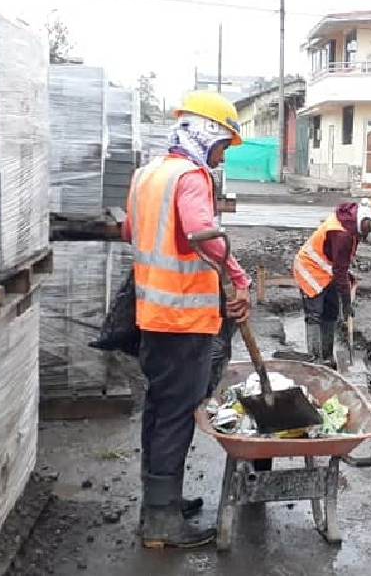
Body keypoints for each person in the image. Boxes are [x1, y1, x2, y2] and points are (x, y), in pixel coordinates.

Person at [122, 90, 252, 550]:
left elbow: (130, 231)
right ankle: (162, 525)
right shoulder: (191, 177)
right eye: (223, 145)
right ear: (209, 133)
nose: (222, 155)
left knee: (160, 410)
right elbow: (202, 233)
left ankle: (159, 504)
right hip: (184, 319)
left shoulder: (148, 174)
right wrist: (236, 275)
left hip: (151, 314)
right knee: (177, 415)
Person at [292, 195, 371, 368]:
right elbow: (339, 269)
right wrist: (347, 302)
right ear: (366, 218)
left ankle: (327, 356)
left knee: (331, 312)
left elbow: (340, 263)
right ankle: (315, 362)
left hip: (327, 269)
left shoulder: (352, 220)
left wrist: (344, 284)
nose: (369, 232)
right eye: (370, 228)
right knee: (314, 314)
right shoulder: (343, 234)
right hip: (310, 269)